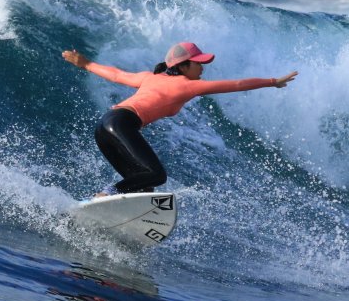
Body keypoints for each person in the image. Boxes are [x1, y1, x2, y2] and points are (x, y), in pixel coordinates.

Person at [62, 41, 297, 196]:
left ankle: (122, 213)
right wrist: (272, 81)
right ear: (183, 66)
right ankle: (107, 193)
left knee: (144, 186)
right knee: (157, 175)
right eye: (199, 63)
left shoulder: (149, 77)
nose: (203, 68)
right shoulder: (185, 86)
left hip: (106, 126)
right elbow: (235, 85)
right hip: (122, 124)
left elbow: (116, 75)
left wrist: (86, 63)